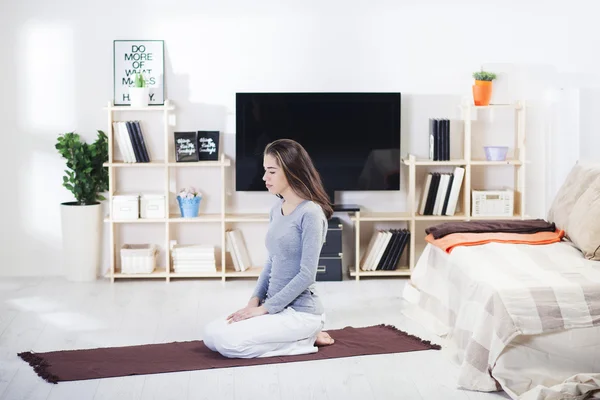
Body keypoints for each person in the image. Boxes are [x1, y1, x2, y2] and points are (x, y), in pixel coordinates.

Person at [203, 138, 335, 358]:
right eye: (265, 170)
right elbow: (272, 261)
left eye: (271, 171)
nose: (265, 177)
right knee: (211, 335)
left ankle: (305, 339)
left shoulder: (311, 213)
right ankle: (300, 335)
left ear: (292, 171)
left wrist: (263, 310)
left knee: (229, 345)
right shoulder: (276, 209)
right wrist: (254, 301)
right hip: (273, 307)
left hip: (300, 313)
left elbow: (306, 275)